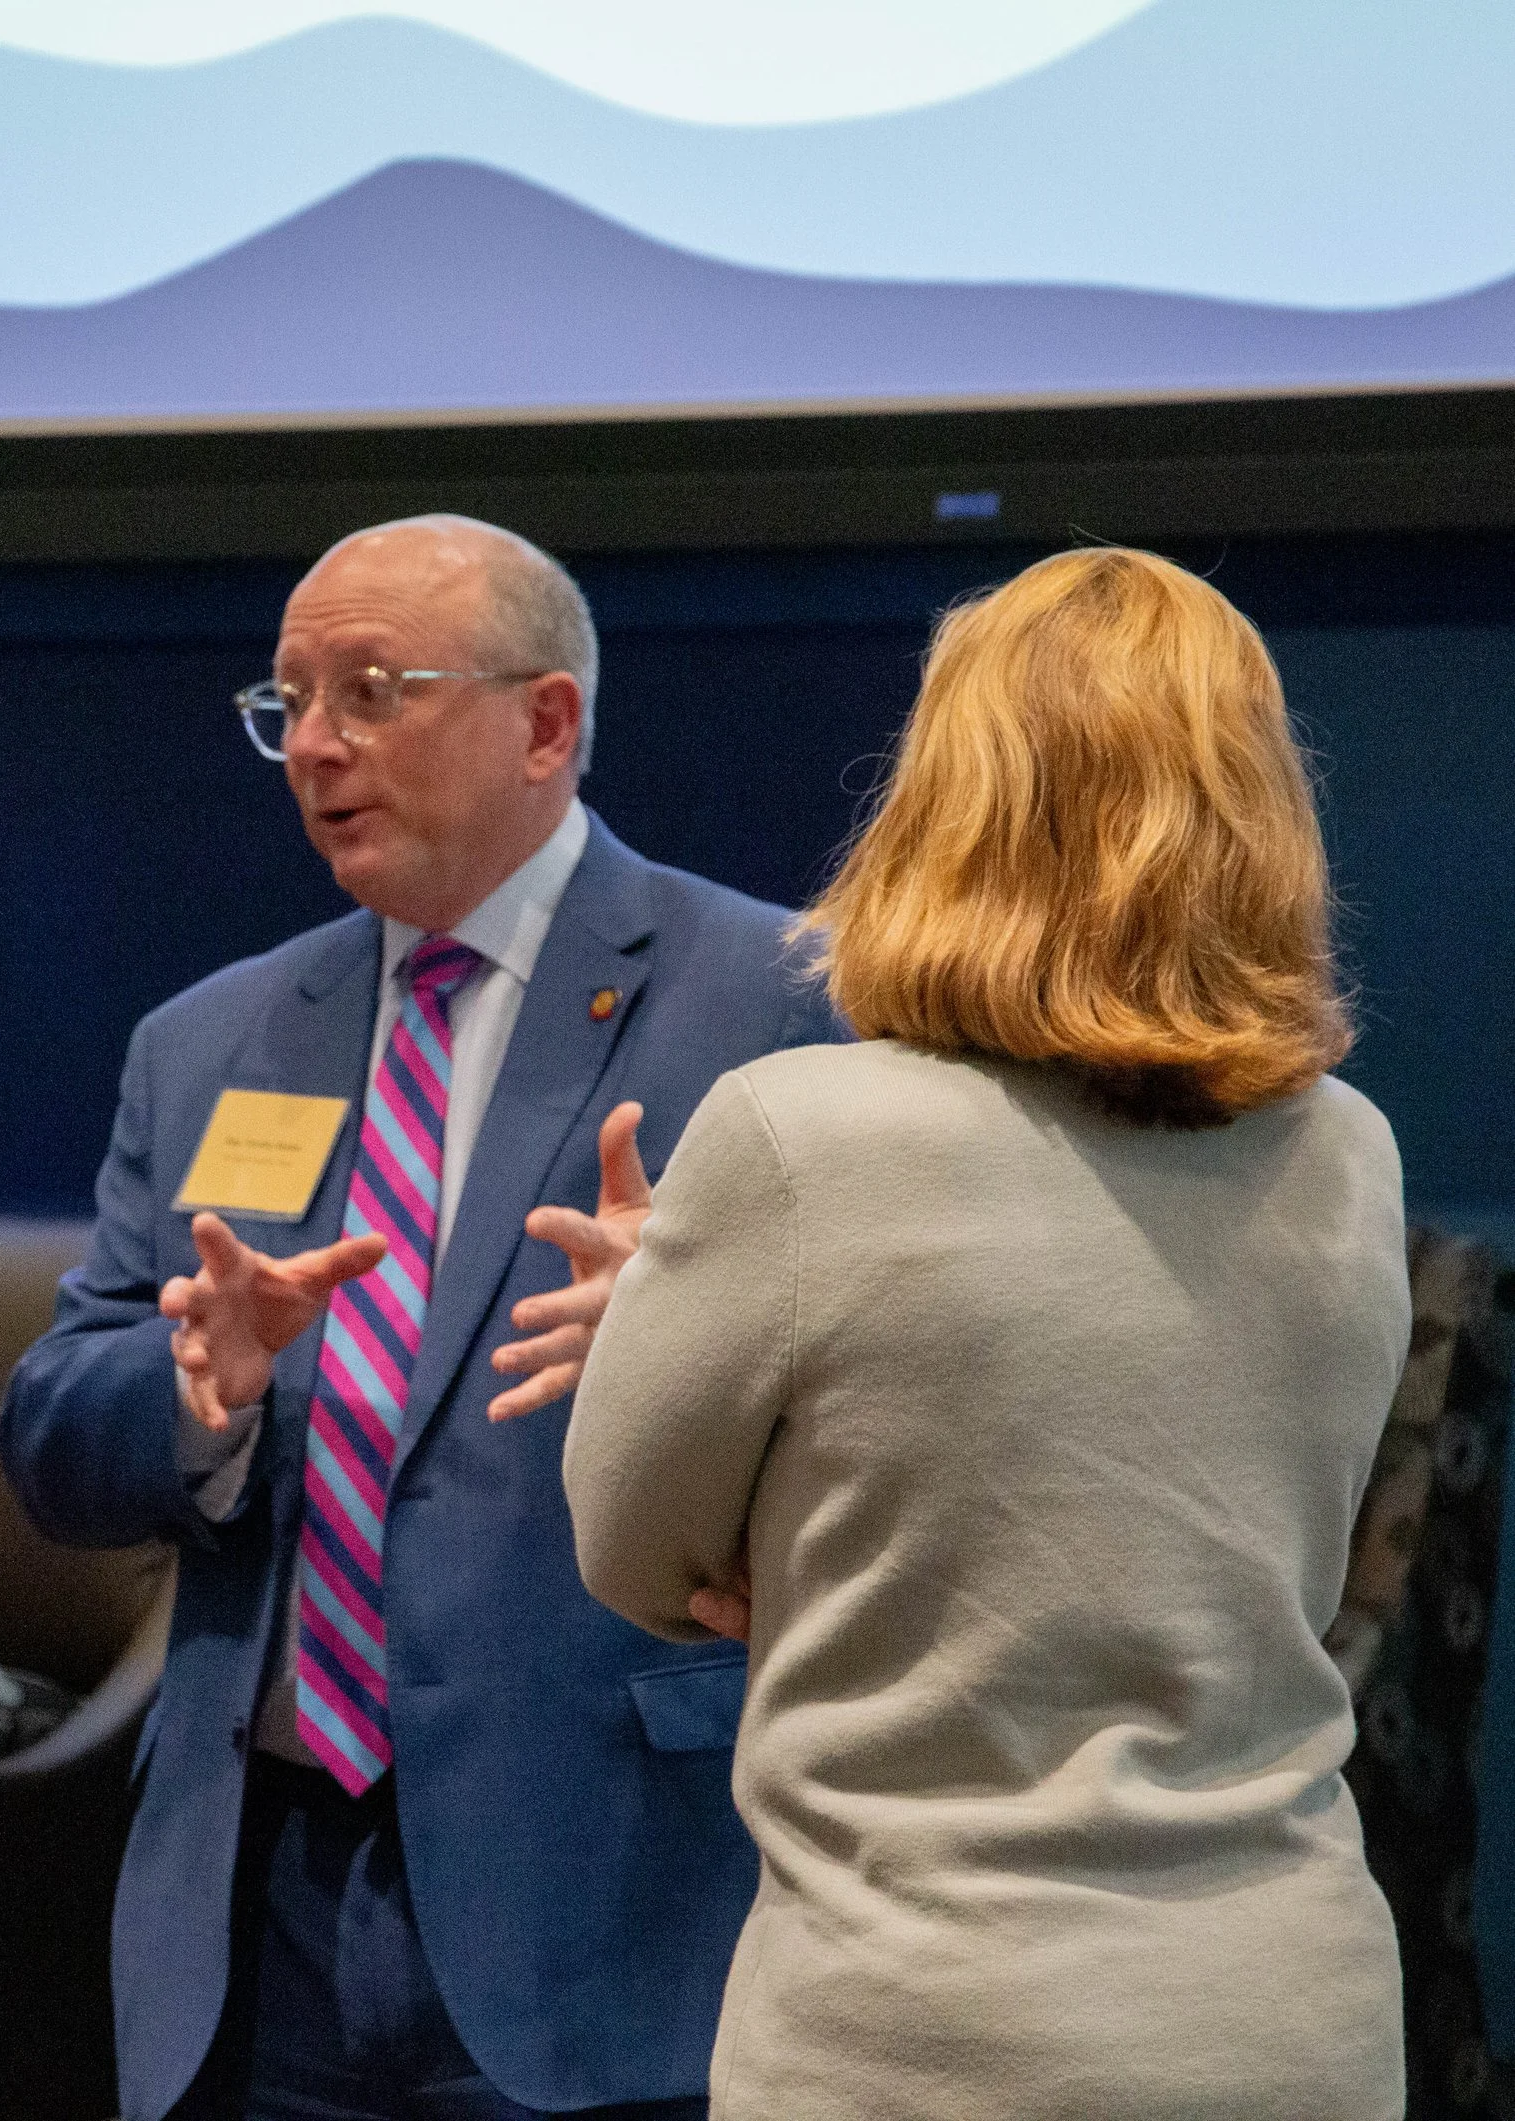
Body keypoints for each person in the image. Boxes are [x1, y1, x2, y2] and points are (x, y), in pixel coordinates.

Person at [0, 516, 839, 2119]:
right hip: (263, 1913)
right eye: (290, 701)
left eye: (373, 690)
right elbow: (51, 1428)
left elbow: (905, 1409)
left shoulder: (779, 1003)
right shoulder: (212, 1040)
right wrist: (202, 1393)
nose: (315, 742)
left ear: (546, 722)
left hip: (609, 1891)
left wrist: (697, 1354)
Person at [564, 547, 1411, 2120]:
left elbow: (635, 1561)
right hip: (1298, 2025)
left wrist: (726, 1399)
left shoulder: (793, 1142)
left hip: (918, 2038)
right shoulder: (1349, 1151)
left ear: (952, 799)